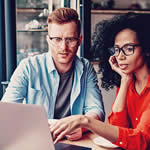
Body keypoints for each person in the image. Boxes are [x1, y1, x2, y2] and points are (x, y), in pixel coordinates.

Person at [1, 8, 105, 141]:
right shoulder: (28, 67)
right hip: (35, 139)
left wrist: (82, 127)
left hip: (73, 142)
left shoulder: (86, 68)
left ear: (79, 40)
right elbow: (6, 112)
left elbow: (97, 110)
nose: (63, 47)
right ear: (48, 40)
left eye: (70, 39)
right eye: (57, 39)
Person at [50, 13, 150, 149]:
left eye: (128, 48)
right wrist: (125, 81)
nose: (120, 56)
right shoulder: (128, 83)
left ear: (146, 49)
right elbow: (116, 130)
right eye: (117, 49)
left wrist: (85, 121)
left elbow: (141, 140)